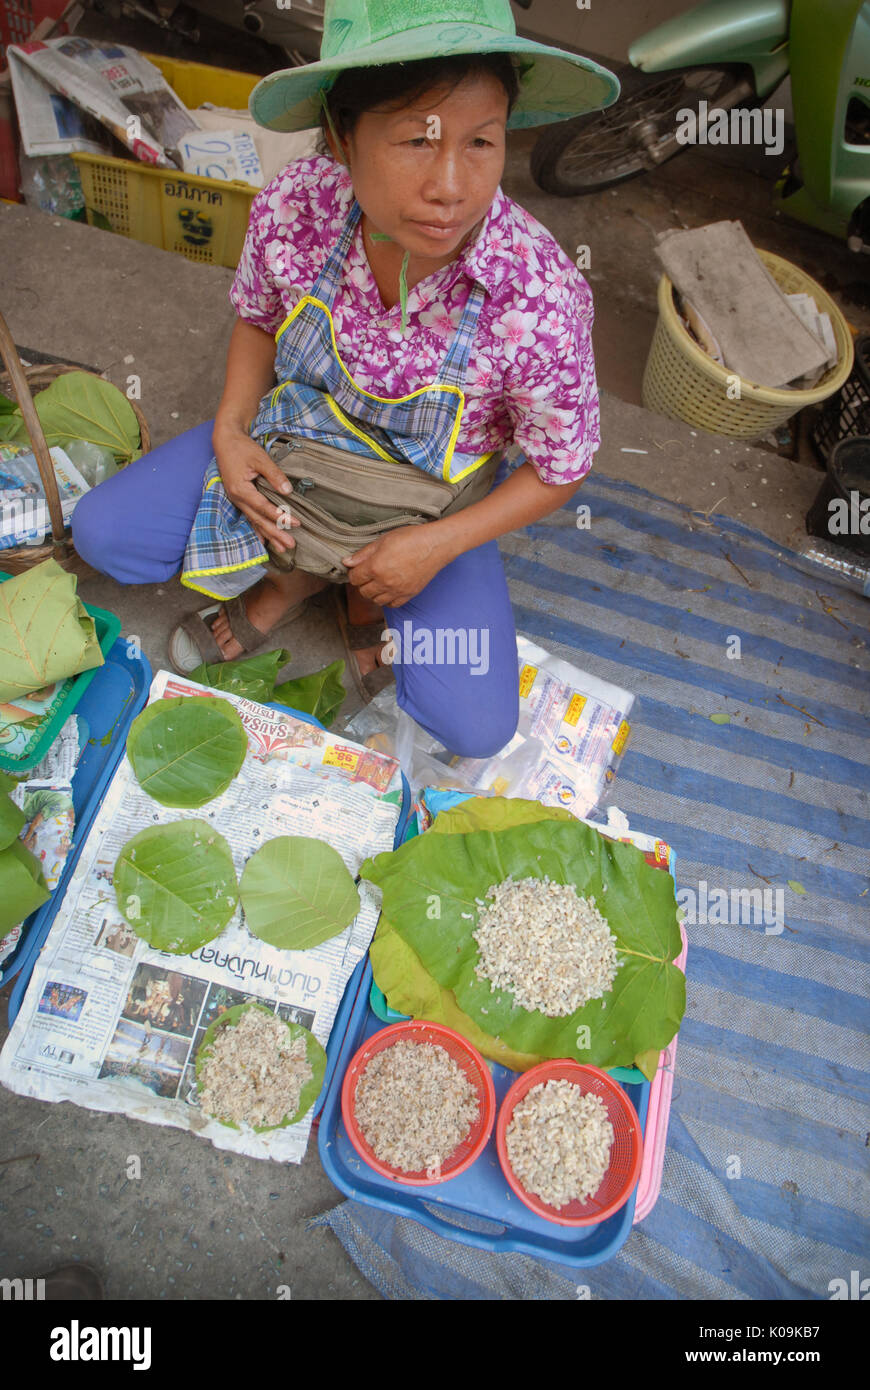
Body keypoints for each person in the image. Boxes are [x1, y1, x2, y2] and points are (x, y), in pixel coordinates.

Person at [72, 0, 618, 760]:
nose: (452, 186)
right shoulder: (299, 204)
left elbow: (562, 469)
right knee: (103, 535)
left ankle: (351, 583)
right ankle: (303, 576)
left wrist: (436, 546)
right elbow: (260, 317)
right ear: (341, 137)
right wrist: (232, 432)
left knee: (476, 726)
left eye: (482, 142)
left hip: (428, 507)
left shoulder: (538, 296)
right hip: (294, 455)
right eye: (416, 142)